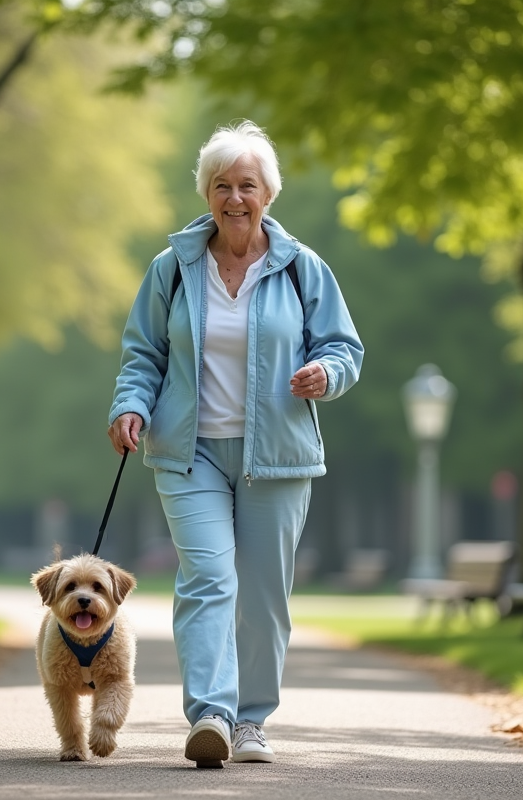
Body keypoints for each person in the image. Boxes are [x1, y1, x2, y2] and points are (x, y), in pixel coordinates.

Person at [107, 121, 364, 768]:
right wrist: (130, 406)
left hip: (276, 456)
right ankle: (213, 716)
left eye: (247, 185)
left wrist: (326, 373)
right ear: (207, 193)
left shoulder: (303, 269)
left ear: (268, 194)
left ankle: (253, 721)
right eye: (221, 185)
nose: (234, 197)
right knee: (209, 580)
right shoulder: (173, 268)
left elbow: (344, 347)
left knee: (265, 595)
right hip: (188, 453)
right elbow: (143, 354)